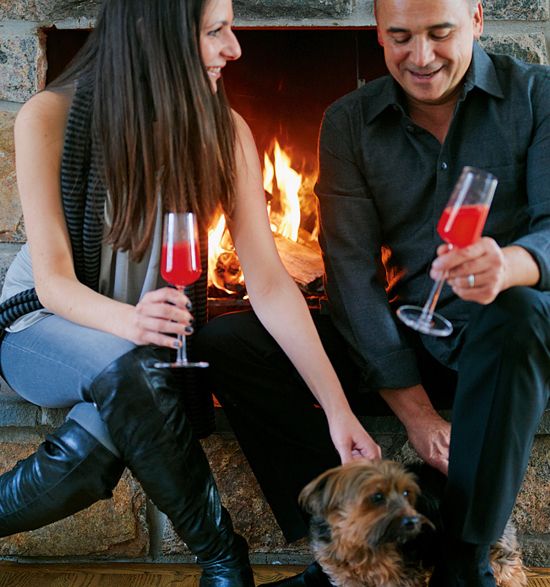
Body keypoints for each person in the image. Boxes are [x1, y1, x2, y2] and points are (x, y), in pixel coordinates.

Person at [0, 0, 382, 584]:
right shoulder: (48, 116)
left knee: (113, 421)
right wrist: (132, 325)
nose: (235, 48)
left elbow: (273, 285)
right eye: (217, 31)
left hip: (140, 355)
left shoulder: (223, 132)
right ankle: (224, 556)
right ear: (160, 35)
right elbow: (52, 283)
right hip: (41, 327)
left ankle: (225, 562)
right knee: (135, 368)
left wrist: (338, 411)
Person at [196, 0, 550, 586]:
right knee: (233, 342)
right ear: (377, 34)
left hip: (508, 346)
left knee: (519, 311)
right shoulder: (349, 121)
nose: (421, 57)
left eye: (440, 34)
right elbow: (350, 270)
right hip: (405, 337)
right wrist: (413, 411)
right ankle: (341, 554)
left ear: (478, 19)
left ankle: (465, 561)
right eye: (400, 38)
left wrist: (511, 264)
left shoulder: (537, 96)